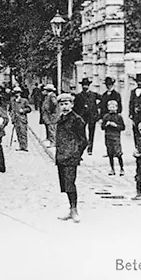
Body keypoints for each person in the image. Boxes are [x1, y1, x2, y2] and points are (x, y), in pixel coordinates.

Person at [54, 93, 87, 223]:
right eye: (61, 104)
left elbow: (83, 141)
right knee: (65, 185)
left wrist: (76, 154)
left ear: (72, 105)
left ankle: (74, 210)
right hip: (61, 156)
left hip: (70, 157)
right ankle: (70, 209)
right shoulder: (61, 118)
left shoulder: (77, 120)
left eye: (67, 104)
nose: (64, 107)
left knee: (70, 183)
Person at [73, 77, 99, 156]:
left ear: (89, 85)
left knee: (91, 133)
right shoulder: (78, 96)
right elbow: (75, 108)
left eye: (86, 85)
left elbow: (103, 99)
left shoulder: (94, 95)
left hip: (92, 116)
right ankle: (83, 147)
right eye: (84, 85)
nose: (85, 87)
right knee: (81, 133)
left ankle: (90, 148)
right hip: (82, 117)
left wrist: (97, 108)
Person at [100, 99, 126, 176]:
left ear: (117, 107)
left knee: (118, 153)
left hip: (116, 137)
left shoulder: (119, 117)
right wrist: (106, 124)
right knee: (110, 153)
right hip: (108, 137)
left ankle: (122, 168)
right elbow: (102, 127)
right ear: (108, 107)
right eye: (110, 107)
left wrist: (116, 125)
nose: (112, 108)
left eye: (114, 107)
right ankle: (112, 169)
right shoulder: (106, 116)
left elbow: (123, 127)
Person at [9, 87, 31, 152]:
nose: (16, 94)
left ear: (20, 93)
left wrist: (23, 110)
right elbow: (10, 109)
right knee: (18, 132)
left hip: (22, 119)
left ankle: (25, 146)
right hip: (15, 119)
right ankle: (21, 146)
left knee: (23, 132)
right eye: (15, 93)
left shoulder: (24, 101)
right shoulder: (12, 101)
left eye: (18, 92)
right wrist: (11, 115)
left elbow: (29, 109)